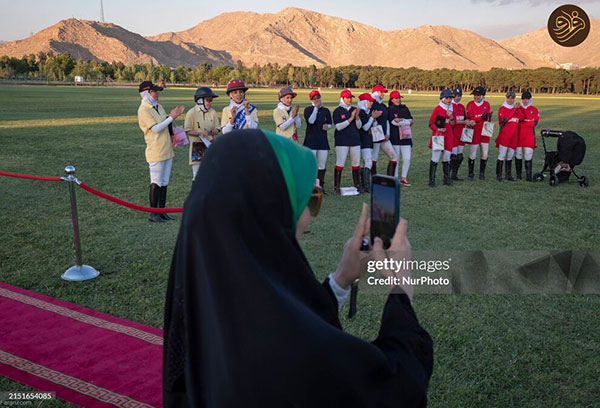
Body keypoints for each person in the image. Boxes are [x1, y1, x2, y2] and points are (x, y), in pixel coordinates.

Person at [163, 128, 433, 407]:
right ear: (271, 210)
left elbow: (297, 317)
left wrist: (340, 280)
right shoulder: (288, 353)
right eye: (311, 200)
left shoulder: (207, 296)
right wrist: (402, 288)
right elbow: (394, 388)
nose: (310, 217)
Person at [137, 81, 184, 223]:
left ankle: (162, 212)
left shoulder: (158, 106)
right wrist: (172, 117)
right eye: (154, 91)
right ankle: (153, 213)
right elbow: (156, 128)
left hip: (167, 148)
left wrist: (172, 134)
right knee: (156, 182)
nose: (157, 93)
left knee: (164, 182)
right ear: (146, 93)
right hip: (156, 150)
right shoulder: (143, 110)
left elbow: (166, 122)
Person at [184, 86, 220, 181]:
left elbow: (217, 129)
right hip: (197, 146)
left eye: (211, 100)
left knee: (211, 175)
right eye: (208, 100)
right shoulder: (191, 113)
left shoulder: (213, 112)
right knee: (197, 176)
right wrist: (198, 134)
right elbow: (187, 130)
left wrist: (210, 132)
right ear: (200, 100)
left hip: (210, 146)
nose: (210, 103)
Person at [333, 89, 362, 194]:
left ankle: (357, 185)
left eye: (350, 98)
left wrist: (357, 117)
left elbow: (359, 126)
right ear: (342, 98)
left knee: (356, 163)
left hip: (355, 140)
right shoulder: (337, 111)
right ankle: (336, 186)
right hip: (342, 141)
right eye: (347, 98)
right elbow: (339, 127)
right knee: (340, 163)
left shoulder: (354, 109)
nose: (349, 99)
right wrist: (351, 118)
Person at [303, 90, 332, 192]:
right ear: (311, 100)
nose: (317, 100)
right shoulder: (308, 110)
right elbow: (311, 121)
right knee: (311, 164)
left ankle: (320, 186)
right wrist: (315, 108)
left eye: (318, 98)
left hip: (322, 141)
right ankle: (309, 186)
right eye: (314, 99)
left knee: (322, 164)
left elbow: (330, 124)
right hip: (311, 141)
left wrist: (327, 126)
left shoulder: (326, 110)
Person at [427, 89, 455, 187]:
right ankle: (431, 179)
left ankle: (446, 179)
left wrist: (451, 116)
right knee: (435, 157)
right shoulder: (437, 109)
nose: (449, 100)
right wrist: (438, 129)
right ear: (442, 99)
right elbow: (430, 124)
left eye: (450, 98)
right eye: (447, 98)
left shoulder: (451, 109)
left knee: (447, 157)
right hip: (438, 136)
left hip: (448, 136)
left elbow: (453, 124)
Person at [370, 84, 397, 176]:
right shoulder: (371, 104)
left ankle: (390, 179)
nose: (383, 94)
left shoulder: (383, 106)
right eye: (381, 92)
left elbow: (387, 120)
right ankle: (373, 180)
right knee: (373, 158)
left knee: (393, 156)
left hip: (384, 136)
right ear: (376, 92)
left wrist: (387, 133)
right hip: (375, 135)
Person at [388, 90, 414, 186]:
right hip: (395, 138)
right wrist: (406, 121)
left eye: (399, 98)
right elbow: (393, 122)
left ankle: (404, 178)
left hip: (406, 138)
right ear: (391, 99)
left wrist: (401, 120)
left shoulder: (405, 108)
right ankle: (395, 178)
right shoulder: (390, 109)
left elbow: (411, 121)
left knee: (407, 158)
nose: (398, 100)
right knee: (396, 159)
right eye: (395, 98)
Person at [466, 86, 492, 180]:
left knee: (484, 154)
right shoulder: (470, 104)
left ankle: (482, 173)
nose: (476, 97)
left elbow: (488, 118)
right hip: (474, 132)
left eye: (478, 95)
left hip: (484, 133)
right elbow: (469, 118)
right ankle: (471, 173)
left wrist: (489, 117)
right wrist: (480, 118)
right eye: (475, 95)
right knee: (473, 153)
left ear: (483, 95)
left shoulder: (487, 104)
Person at [495, 91, 522, 182]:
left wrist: (518, 109)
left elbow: (522, 117)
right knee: (502, 155)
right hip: (505, 135)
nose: (510, 100)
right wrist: (514, 109)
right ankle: (498, 175)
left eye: (512, 98)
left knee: (510, 155)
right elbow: (504, 119)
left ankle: (508, 174)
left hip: (514, 136)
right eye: (508, 98)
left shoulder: (516, 109)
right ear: (505, 98)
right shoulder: (502, 108)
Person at [356, 92, 381, 193]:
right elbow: (365, 127)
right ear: (364, 102)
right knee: (368, 161)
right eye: (369, 101)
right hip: (364, 140)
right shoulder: (361, 112)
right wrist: (372, 117)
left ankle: (364, 184)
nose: (371, 103)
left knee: (365, 162)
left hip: (368, 140)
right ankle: (366, 186)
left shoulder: (366, 112)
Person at [515, 91, 539, 181]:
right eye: (524, 99)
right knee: (518, 155)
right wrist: (527, 120)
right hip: (519, 136)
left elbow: (534, 123)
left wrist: (526, 121)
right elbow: (519, 119)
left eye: (527, 99)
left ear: (530, 99)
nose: (525, 101)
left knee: (528, 155)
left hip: (529, 136)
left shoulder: (534, 109)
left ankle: (528, 176)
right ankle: (518, 175)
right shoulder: (518, 108)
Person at [450, 88, 468, 181]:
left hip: (461, 134)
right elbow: (452, 122)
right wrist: (464, 121)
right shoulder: (450, 106)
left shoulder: (462, 107)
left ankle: (454, 174)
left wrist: (468, 122)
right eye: (456, 96)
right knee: (453, 156)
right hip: (453, 134)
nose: (458, 98)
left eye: (459, 96)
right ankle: (447, 175)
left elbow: (465, 119)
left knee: (460, 156)